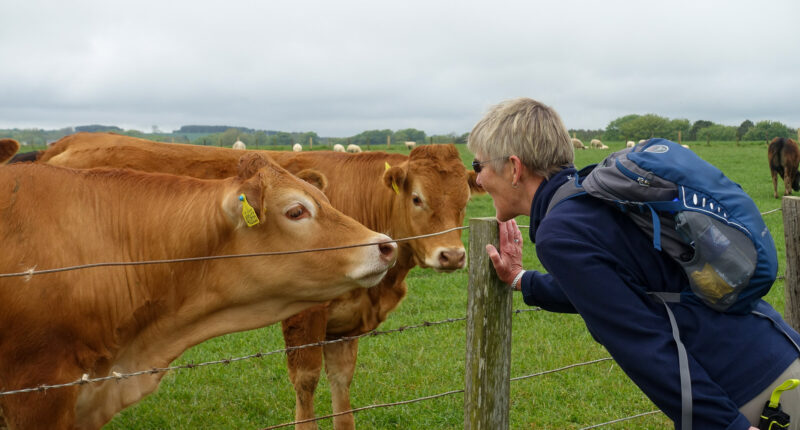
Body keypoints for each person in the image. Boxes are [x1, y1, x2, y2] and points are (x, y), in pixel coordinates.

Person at [467, 97, 800, 430]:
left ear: (514, 167)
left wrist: (726, 426)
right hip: (777, 353)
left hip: (753, 392)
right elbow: (611, 289)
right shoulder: (596, 193)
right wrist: (520, 279)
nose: (477, 179)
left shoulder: (561, 231)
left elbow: (641, 342)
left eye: (479, 165)